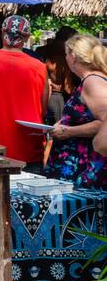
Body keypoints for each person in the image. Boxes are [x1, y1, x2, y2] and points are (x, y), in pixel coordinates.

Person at [0, 15, 48, 166]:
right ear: (27, 37)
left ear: (2, 33)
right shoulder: (39, 67)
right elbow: (42, 109)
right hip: (27, 146)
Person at [45, 35, 107, 188]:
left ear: (73, 57)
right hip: (78, 163)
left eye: (66, 54)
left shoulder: (92, 81)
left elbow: (104, 122)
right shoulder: (92, 79)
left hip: (84, 167)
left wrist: (69, 131)